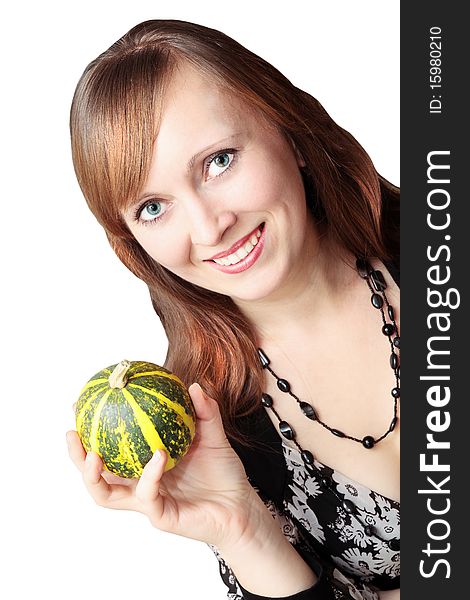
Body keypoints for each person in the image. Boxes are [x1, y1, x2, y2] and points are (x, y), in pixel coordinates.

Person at [66, 19, 400, 600]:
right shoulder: (216, 427)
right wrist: (242, 530)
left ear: (290, 135)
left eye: (218, 161)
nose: (208, 227)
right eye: (152, 207)